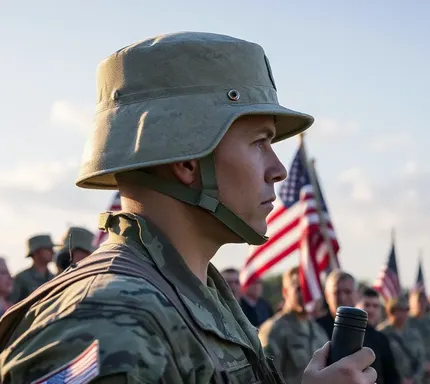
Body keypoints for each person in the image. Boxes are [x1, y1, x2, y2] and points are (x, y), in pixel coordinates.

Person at [0, 32, 376, 384]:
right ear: (188, 160)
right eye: (259, 142)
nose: (278, 170)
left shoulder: (195, 295)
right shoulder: (106, 325)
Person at [317, 271, 401, 384]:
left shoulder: (377, 337)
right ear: (327, 296)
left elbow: (390, 376)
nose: (342, 297)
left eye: (347, 292)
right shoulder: (315, 329)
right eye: (336, 292)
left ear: (357, 295)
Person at [258, 266, 330, 383]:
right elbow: (266, 377)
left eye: (309, 288)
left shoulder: (318, 331)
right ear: (285, 292)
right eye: (299, 289)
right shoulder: (273, 330)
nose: (306, 294)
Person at [378, 296, 426, 384]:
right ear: (391, 312)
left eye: (406, 310)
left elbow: (421, 359)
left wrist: (414, 379)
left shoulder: (414, 334)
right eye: (400, 310)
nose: (404, 314)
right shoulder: (381, 333)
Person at [7, 234, 54, 303]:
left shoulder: (54, 277)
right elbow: (11, 305)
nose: (53, 252)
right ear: (36, 252)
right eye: (48, 249)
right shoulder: (21, 279)